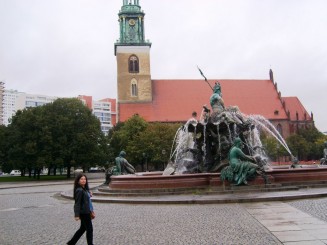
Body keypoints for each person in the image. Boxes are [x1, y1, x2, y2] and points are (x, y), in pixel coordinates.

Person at [67, 173, 94, 245]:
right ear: (78, 181)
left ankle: (71, 242)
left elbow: (85, 198)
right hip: (84, 212)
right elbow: (77, 203)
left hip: (86, 211)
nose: (83, 180)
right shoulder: (79, 190)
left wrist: (89, 194)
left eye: (85, 179)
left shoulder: (83, 189)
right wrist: (76, 215)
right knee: (89, 229)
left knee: (82, 229)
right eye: (81, 179)